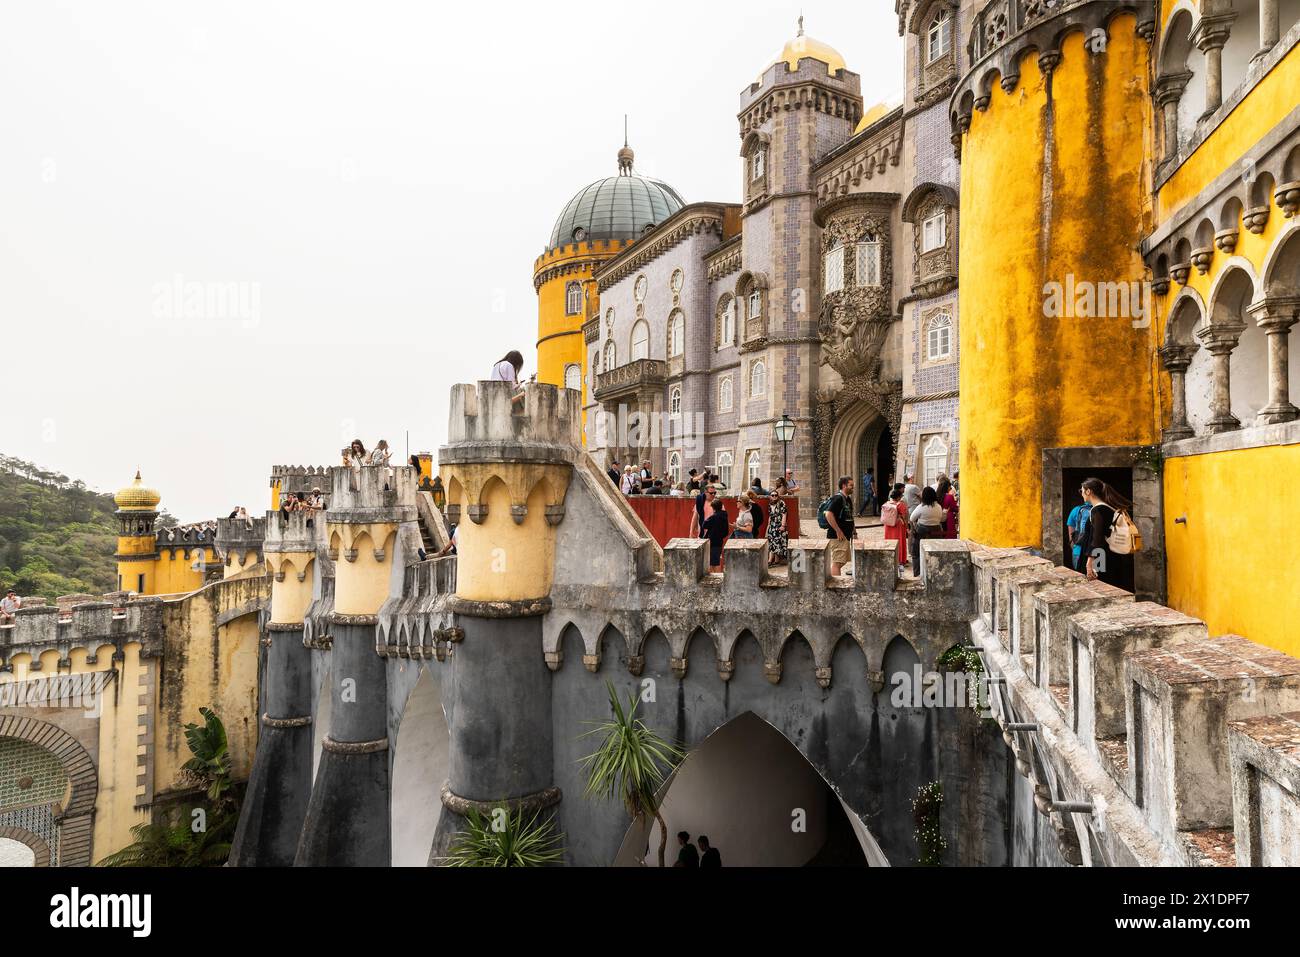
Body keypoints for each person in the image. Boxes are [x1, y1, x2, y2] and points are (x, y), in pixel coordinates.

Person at [1078, 477, 1133, 586]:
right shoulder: (1108, 508)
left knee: (1100, 587)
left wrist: (1089, 562)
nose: (1081, 494)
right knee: (1110, 585)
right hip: (1107, 555)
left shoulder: (1097, 510)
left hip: (1100, 557)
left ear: (1088, 491)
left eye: (1082, 490)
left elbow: (1097, 538)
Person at [908, 486, 946, 578]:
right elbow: (942, 519)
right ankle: (935, 572)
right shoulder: (939, 507)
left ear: (924, 496)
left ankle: (917, 573)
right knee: (935, 553)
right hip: (936, 531)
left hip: (922, 531)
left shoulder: (921, 507)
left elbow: (912, 518)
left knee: (916, 553)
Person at [824, 475, 857, 576]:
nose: (853, 487)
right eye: (851, 485)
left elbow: (850, 517)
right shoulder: (838, 498)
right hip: (837, 536)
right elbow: (828, 514)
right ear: (844, 485)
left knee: (841, 561)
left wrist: (854, 532)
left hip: (845, 536)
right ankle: (836, 587)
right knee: (837, 563)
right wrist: (838, 531)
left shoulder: (847, 499)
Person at [882, 486, 909, 568]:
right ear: (898, 497)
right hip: (898, 526)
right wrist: (907, 526)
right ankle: (900, 559)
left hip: (888, 525)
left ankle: (890, 556)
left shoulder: (887, 503)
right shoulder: (901, 505)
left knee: (889, 540)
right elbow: (904, 517)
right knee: (900, 541)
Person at [702, 499, 730, 572]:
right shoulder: (724, 516)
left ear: (713, 507)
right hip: (719, 541)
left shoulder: (714, 517)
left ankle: (716, 579)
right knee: (715, 561)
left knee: (713, 563)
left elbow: (704, 525)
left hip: (712, 542)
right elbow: (726, 531)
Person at [1066, 496, 1093, 571]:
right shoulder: (1100, 510)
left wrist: (1075, 548)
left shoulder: (1075, 510)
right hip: (1096, 552)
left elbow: (1071, 538)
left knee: (1080, 577)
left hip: (1078, 551)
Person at [766, 487, 789, 566]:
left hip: (779, 525)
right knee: (772, 542)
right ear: (770, 496)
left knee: (777, 542)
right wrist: (768, 527)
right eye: (772, 495)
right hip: (772, 526)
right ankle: (774, 560)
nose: (774, 496)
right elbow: (770, 516)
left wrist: (783, 525)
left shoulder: (782, 503)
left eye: (776, 495)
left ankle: (771, 560)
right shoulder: (770, 505)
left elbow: (784, 514)